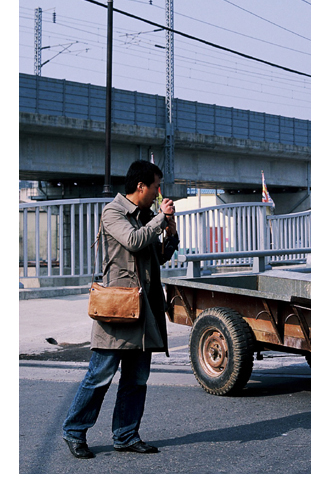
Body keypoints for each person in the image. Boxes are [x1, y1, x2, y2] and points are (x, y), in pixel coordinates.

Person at [62, 160, 179, 459]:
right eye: (155, 187)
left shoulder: (146, 216)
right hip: (119, 307)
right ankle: (74, 431)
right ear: (141, 186)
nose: (158, 193)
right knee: (100, 375)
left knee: (136, 378)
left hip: (145, 310)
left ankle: (126, 435)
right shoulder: (113, 212)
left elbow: (158, 257)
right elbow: (133, 241)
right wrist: (159, 220)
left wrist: (171, 230)